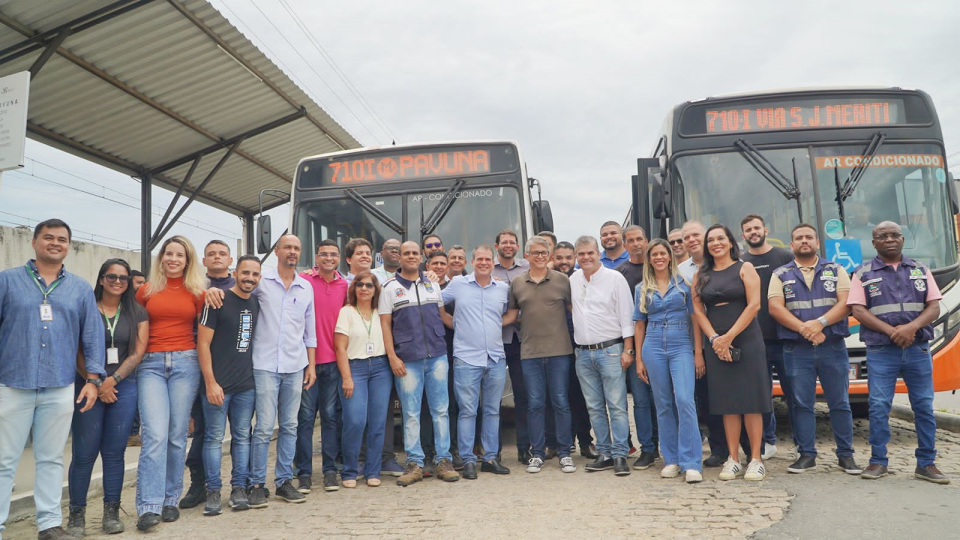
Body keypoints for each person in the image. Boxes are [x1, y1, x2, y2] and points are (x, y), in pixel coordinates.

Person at [0, 219, 105, 540]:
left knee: (51, 458)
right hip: (12, 383)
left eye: (62, 239)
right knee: (4, 460)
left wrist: (93, 379)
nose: (55, 243)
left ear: (68, 247)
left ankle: (48, 525)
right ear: (34, 242)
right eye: (49, 237)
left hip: (60, 385)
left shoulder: (79, 288)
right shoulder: (7, 281)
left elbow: (92, 335)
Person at [208, 235, 318, 506]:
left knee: (290, 425)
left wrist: (311, 365)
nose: (292, 252)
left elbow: (310, 331)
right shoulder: (261, 282)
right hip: (264, 365)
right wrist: (209, 290)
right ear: (277, 251)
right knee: (265, 427)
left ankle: (283, 481)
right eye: (288, 247)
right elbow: (235, 294)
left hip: (295, 365)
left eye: (296, 248)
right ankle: (257, 483)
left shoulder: (306, 287)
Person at [848, 222, 949, 484]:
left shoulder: (920, 270)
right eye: (883, 236)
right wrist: (893, 332)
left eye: (894, 235)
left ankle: (926, 463)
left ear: (903, 239)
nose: (889, 239)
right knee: (879, 405)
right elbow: (858, 311)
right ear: (874, 243)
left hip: (917, 348)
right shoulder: (862, 274)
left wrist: (911, 328)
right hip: (881, 350)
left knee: (924, 407)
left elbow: (934, 307)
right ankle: (878, 461)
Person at [768, 224, 860, 475]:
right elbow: (776, 308)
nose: (804, 241)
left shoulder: (836, 269)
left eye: (809, 237)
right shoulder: (780, 274)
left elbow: (846, 303)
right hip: (797, 349)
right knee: (800, 404)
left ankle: (846, 455)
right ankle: (806, 454)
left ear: (818, 243)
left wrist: (820, 323)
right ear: (792, 245)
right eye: (799, 238)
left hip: (832, 346)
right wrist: (804, 329)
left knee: (840, 402)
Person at [67, 259, 148, 536]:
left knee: (114, 453)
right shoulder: (85, 308)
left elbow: (138, 352)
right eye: (111, 276)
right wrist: (96, 382)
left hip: (122, 387)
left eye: (123, 278)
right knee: (84, 453)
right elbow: (77, 349)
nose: (117, 281)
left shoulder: (137, 312)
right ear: (101, 279)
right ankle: (76, 516)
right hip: (87, 385)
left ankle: (111, 512)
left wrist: (112, 381)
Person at [134, 235, 206, 530]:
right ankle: (148, 506)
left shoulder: (198, 292)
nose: (174, 259)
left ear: (188, 261)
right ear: (161, 257)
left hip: (185, 364)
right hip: (150, 364)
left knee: (177, 435)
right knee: (154, 435)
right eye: (169, 253)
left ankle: (169, 500)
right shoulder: (146, 291)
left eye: (180, 255)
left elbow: (206, 332)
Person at [692, 224, 770, 482]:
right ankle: (733, 459)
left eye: (720, 238)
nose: (716, 243)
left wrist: (729, 337)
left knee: (751, 401)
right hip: (716, 342)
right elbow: (698, 311)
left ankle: (756, 459)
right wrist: (715, 338)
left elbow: (754, 305)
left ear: (730, 242)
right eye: (711, 240)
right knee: (728, 404)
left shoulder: (744, 268)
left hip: (746, 339)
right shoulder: (700, 275)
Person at [380, 241, 459, 486]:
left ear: (420, 257)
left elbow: (443, 316)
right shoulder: (389, 288)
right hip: (407, 359)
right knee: (411, 413)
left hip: (436, 355)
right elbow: (385, 325)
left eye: (415, 253)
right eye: (407, 253)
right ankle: (414, 463)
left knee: (441, 411)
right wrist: (392, 357)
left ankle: (443, 460)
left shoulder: (431, 283)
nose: (411, 256)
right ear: (399, 257)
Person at [502, 237, 577, 474]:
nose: (540, 256)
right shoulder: (517, 283)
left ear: (549, 255)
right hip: (530, 352)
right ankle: (537, 453)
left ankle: (565, 453)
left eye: (544, 252)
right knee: (534, 404)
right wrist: (479, 325)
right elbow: (511, 316)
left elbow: (575, 312)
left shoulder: (562, 281)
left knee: (561, 402)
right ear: (527, 256)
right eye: (535, 253)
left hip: (560, 351)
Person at [633, 239, 704, 483]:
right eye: (655, 255)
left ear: (670, 257)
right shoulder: (641, 288)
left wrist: (698, 352)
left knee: (684, 400)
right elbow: (639, 324)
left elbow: (695, 320)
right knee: (662, 404)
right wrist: (639, 359)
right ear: (649, 259)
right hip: (652, 344)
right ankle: (671, 459)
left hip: (681, 343)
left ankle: (692, 461)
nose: (659, 258)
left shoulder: (685, 285)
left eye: (663, 253)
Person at [197, 255, 262, 516]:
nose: (250, 278)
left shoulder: (256, 302)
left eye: (255, 275)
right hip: (217, 386)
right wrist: (211, 383)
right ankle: (212, 491)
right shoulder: (217, 301)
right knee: (213, 439)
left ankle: (238, 489)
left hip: (246, 385)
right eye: (245, 273)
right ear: (236, 272)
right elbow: (202, 345)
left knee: (242, 438)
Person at [442, 246, 511, 479]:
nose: (483, 263)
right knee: (468, 411)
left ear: (493, 262)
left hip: (495, 357)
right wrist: (451, 322)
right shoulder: (458, 284)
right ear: (472, 262)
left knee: (492, 411)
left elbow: (511, 313)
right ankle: (469, 459)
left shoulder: (502, 288)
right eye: (479, 259)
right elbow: (436, 301)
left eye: (487, 259)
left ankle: (490, 458)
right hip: (466, 358)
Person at [570, 235, 635, 476]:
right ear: (577, 256)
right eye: (581, 254)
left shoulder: (614, 278)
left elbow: (627, 316)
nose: (586, 257)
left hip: (611, 350)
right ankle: (604, 453)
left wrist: (628, 350)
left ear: (598, 254)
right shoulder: (573, 279)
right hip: (583, 354)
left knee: (617, 406)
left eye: (590, 253)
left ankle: (620, 454)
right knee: (594, 407)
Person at [181, 240, 237, 510]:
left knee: (239, 432)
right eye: (211, 253)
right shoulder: (194, 286)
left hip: (235, 368)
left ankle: (242, 483)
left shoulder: (241, 287)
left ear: (230, 259)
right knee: (201, 430)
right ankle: (198, 484)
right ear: (203, 260)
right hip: (198, 365)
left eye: (222, 253)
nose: (216, 257)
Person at [740, 214, 795, 459]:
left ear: (765, 229)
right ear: (743, 235)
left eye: (756, 228)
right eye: (748, 230)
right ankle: (768, 441)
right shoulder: (741, 262)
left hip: (785, 338)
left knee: (794, 393)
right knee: (762, 395)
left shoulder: (784, 257)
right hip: (755, 340)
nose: (753, 232)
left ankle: (801, 445)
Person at [297, 239, 347, 493]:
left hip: (334, 362)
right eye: (324, 254)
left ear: (339, 258)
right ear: (316, 257)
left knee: (330, 418)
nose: (328, 258)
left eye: (333, 254)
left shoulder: (345, 285)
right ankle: (303, 473)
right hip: (308, 362)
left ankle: (329, 471)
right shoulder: (304, 282)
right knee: (305, 418)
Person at [335, 271, 393, 488]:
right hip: (355, 367)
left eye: (369, 285)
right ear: (354, 288)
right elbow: (340, 348)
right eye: (360, 285)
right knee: (355, 420)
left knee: (378, 422)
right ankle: (350, 471)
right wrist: (346, 377)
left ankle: (373, 471)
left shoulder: (382, 312)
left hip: (380, 367)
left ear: (376, 289)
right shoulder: (347, 312)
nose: (364, 289)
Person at [679, 221, 727, 467]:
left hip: (729, 335)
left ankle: (752, 448)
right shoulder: (679, 271)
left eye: (696, 234)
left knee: (736, 394)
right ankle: (718, 449)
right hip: (696, 343)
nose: (691, 239)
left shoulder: (721, 266)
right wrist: (698, 350)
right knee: (708, 398)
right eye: (686, 237)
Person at [615, 225, 659, 469]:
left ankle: (668, 446)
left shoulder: (659, 266)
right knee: (641, 400)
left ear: (647, 240)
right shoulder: (619, 274)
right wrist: (629, 349)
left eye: (639, 239)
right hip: (636, 343)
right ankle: (648, 449)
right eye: (630, 240)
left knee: (664, 399)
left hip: (664, 341)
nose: (636, 244)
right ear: (624, 245)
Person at [492, 229, 532, 463]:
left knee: (523, 396)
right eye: (504, 242)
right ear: (496, 245)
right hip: (497, 340)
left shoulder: (528, 267)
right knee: (493, 397)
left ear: (517, 246)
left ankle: (523, 448)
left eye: (512, 242)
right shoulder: (487, 268)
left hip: (523, 340)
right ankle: (492, 450)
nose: (508, 245)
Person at [554, 241, 596, 458]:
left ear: (574, 259)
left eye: (568, 258)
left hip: (579, 345)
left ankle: (586, 442)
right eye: (559, 257)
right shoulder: (550, 280)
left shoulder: (581, 279)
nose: (564, 262)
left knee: (580, 398)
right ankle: (561, 442)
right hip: (555, 346)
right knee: (557, 397)